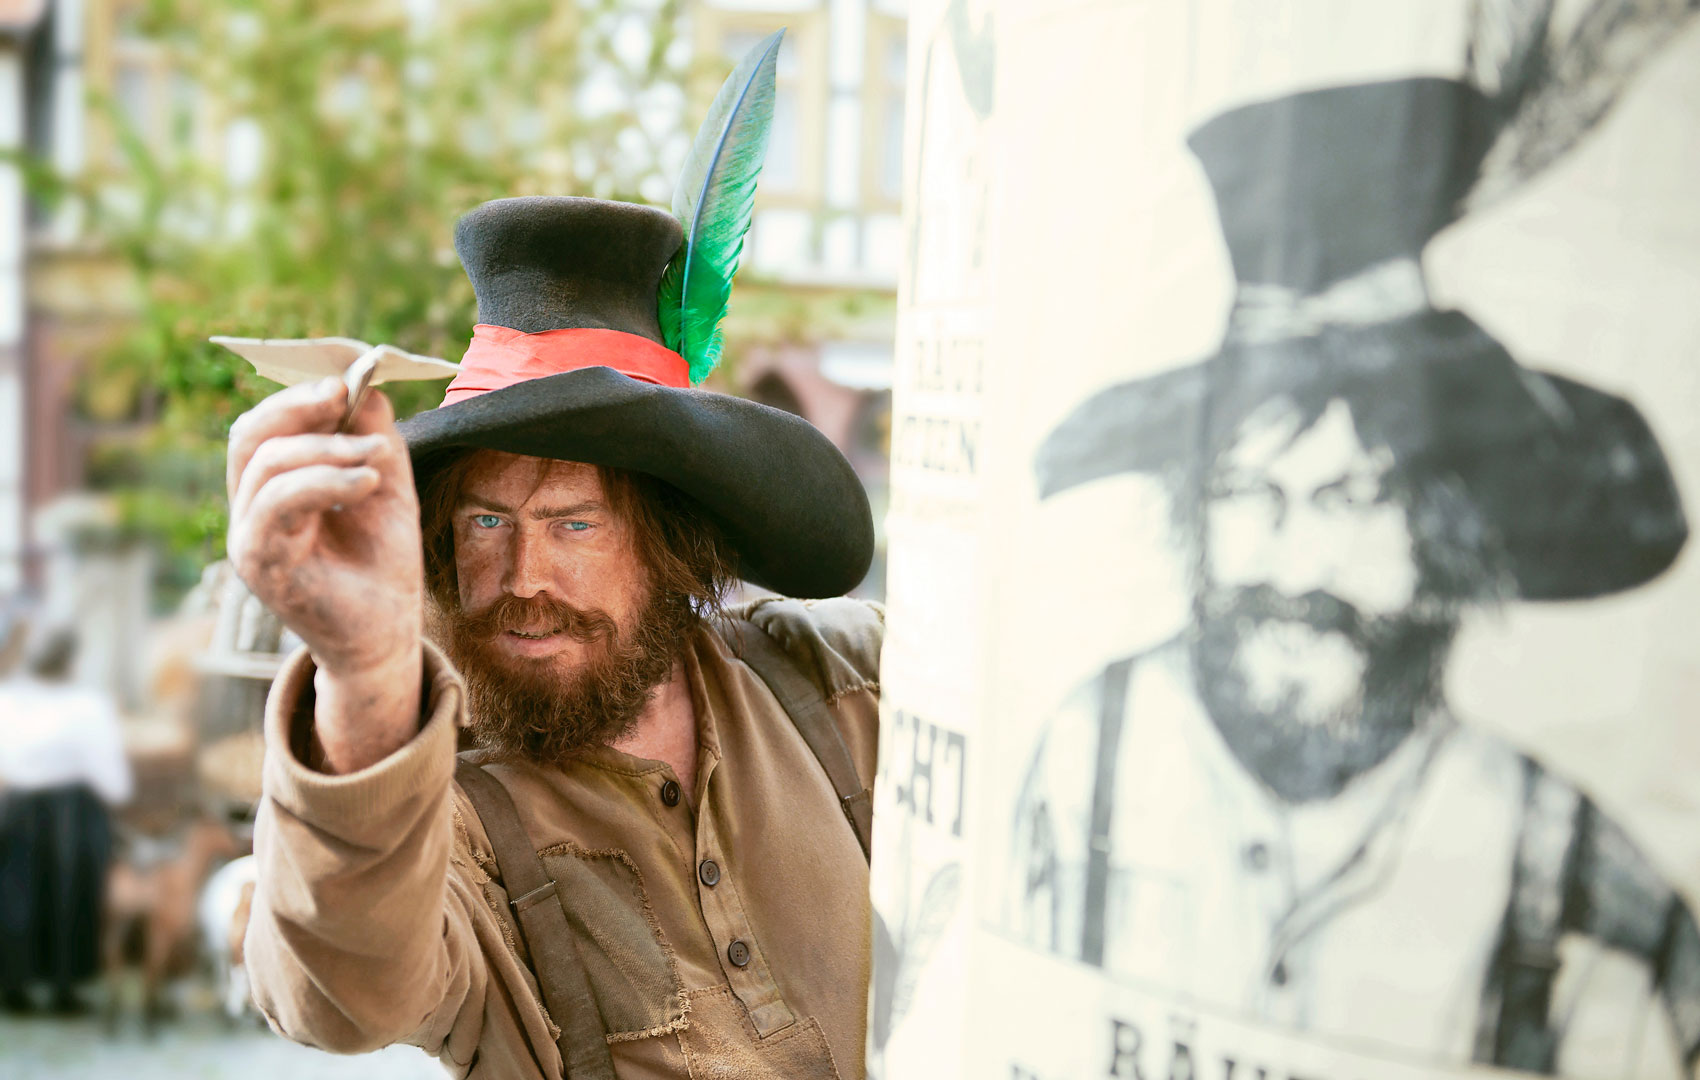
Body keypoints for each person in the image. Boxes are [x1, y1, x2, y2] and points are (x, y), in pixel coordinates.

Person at [1004, 76, 1700, 1078]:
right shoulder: (1087, 758)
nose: (1291, 562)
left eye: (1351, 499)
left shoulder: (1586, 895)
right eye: (1247, 492)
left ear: (1441, 534)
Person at [230, 184, 882, 1078]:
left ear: (672, 543)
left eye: (576, 524)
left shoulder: (845, 681)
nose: (524, 580)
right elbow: (338, 995)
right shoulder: (445, 808)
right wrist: (363, 671)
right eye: (487, 525)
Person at [0, 629, 132, 1013]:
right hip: (72, 811)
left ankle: (14, 986)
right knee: (70, 896)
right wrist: (116, 795)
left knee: (16, 896)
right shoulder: (86, 706)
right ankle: (64, 988)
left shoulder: (8, 700)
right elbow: (108, 771)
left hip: (20, 805)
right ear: (70, 662)